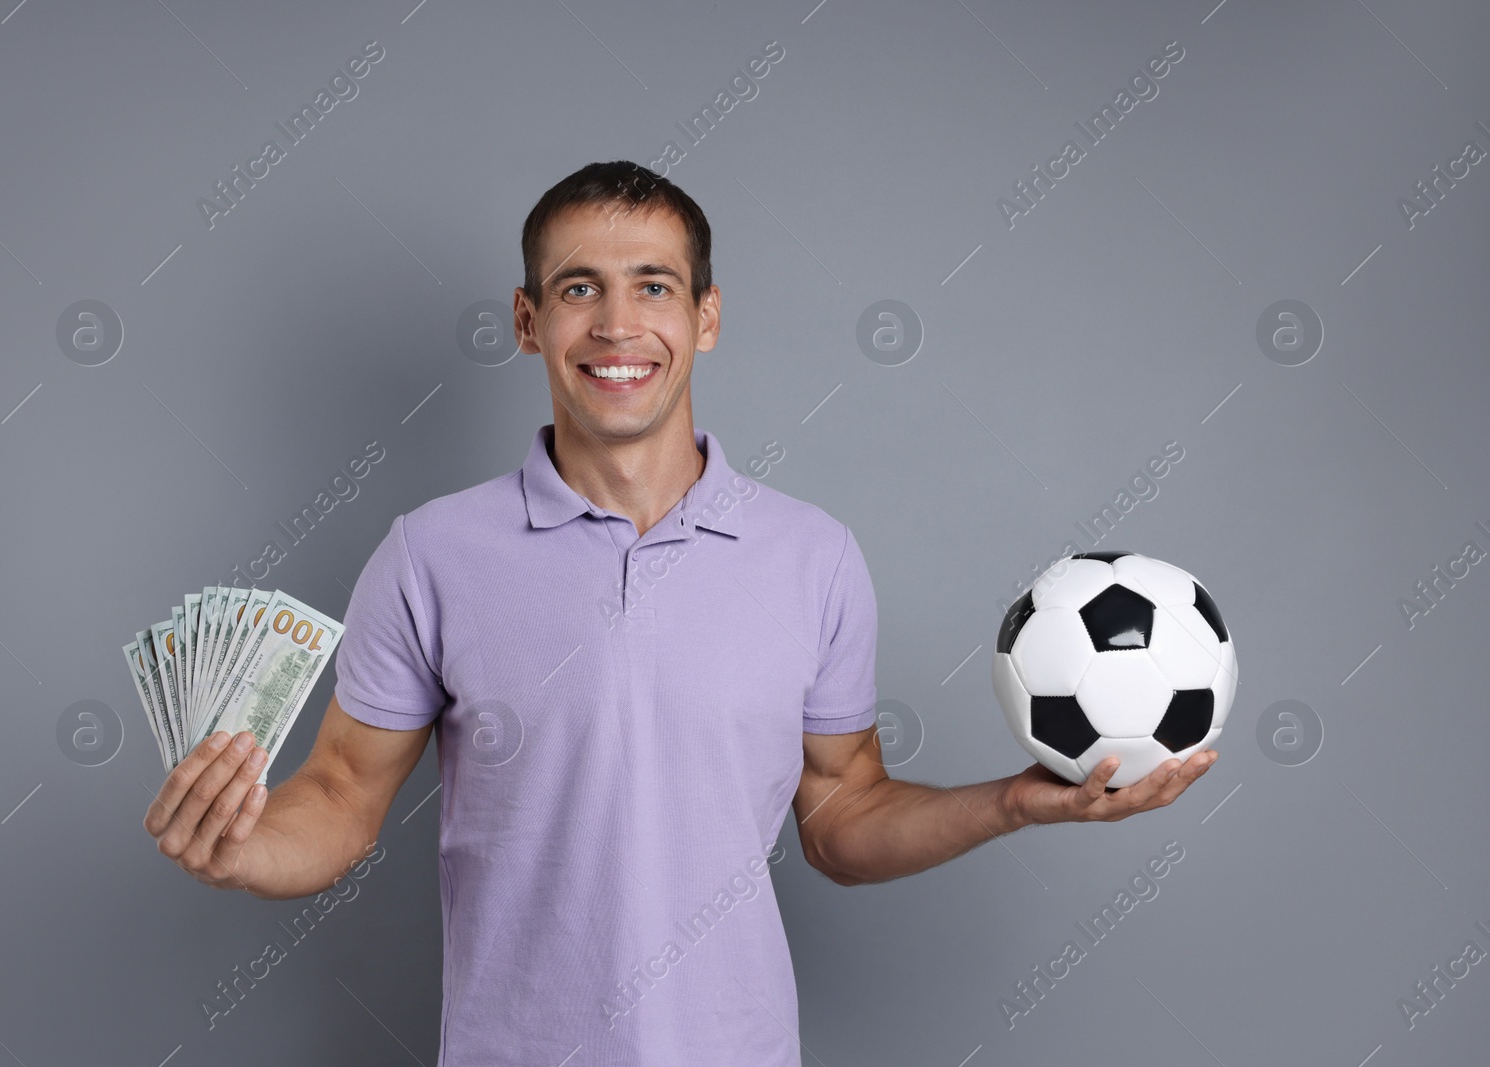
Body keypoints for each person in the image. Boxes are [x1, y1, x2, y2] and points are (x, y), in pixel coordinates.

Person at [143, 160, 1218, 1065]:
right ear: (528, 320)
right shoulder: (430, 553)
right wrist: (243, 848)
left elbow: (843, 817)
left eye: (653, 286)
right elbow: (336, 796)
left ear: (704, 316)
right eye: (577, 289)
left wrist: (1012, 803)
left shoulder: (812, 554)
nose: (617, 323)